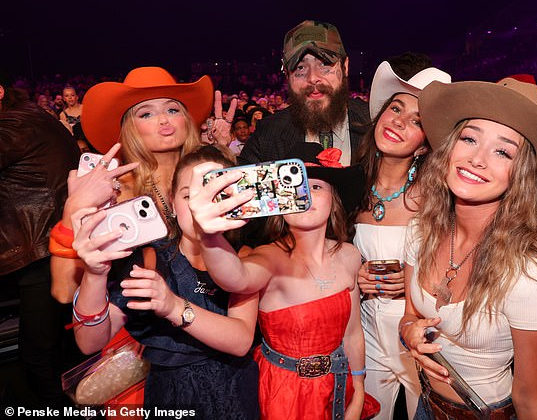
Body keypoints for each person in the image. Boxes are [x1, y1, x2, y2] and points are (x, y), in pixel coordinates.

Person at [399, 76, 537, 419]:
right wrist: (409, 335)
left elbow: (531, 399)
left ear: (521, 175)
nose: (476, 158)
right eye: (469, 138)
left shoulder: (530, 278)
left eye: (503, 151)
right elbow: (409, 316)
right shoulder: (421, 231)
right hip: (425, 404)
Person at [69, 146, 260, 418]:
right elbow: (89, 342)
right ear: (172, 201)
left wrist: (173, 306)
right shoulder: (150, 257)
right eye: (189, 195)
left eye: (216, 195)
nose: (198, 206)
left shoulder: (245, 258)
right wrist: (95, 273)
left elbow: (240, 340)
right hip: (169, 397)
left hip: (232, 395)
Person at [189, 143, 370, 420]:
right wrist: (209, 235)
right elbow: (234, 278)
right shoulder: (268, 258)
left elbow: (353, 333)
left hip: (338, 386)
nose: (304, 193)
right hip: (283, 396)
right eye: (293, 185)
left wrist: (357, 389)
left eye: (317, 186)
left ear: (334, 199)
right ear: (277, 202)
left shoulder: (350, 255)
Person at [50, 66, 212, 305]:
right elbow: (64, 291)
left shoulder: (210, 174)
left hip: (220, 313)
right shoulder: (116, 192)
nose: (164, 119)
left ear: (186, 119)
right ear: (129, 128)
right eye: (146, 114)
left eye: (172, 109)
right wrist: (73, 208)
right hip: (147, 325)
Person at [353, 56, 451, 420]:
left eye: (417, 120)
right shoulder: (351, 187)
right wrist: (355, 277)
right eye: (396, 108)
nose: (398, 121)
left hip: (421, 337)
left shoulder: (439, 198)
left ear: (425, 143)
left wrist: (415, 285)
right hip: (365, 333)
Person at [0, 70, 80, 407]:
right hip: (49, 241)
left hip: (38, 247)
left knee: (39, 347)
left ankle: (53, 408)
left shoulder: (13, 126)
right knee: (46, 341)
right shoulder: (29, 115)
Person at [239, 20, 370, 166]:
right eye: (300, 68)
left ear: (345, 67)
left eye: (324, 64)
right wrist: (220, 155)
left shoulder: (373, 122)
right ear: (287, 76)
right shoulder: (269, 133)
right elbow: (238, 181)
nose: (313, 78)